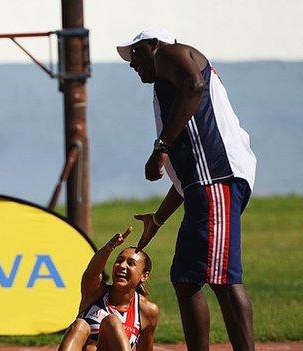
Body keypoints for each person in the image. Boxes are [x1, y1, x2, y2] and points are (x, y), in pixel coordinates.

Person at [116, 28, 256, 351]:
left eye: (135, 55)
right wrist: (158, 218)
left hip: (217, 181)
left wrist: (161, 146)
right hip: (203, 187)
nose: (132, 64)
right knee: (185, 278)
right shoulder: (168, 89)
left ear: (153, 46)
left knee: (223, 280)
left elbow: (196, 84)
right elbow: (186, 179)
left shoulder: (175, 56)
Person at [58, 227, 159, 351]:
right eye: (119, 261)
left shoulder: (148, 311)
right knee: (80, 325)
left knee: (112, 322)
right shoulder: (95, 293)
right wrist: (109, 247)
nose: (122, 266)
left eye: (131, 263)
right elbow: (91, 274)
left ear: (144, 276)